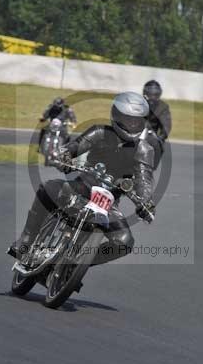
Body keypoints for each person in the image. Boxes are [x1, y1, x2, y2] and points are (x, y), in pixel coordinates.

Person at [9, 92, 156, 265]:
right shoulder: (99, 132)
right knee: (47, 189)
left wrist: (145, 201)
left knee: (124, 241)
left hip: (108, 203)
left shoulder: (144, 150)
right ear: (116, 116)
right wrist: (64, 156)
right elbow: (75, 146)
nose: (132, 124)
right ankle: (25, 242)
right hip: (82, 187)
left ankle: (78, 263)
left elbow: (144, 179)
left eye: (137, 121)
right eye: (128, 119)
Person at [143, 80, 172, 167]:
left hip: (152, 136)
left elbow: (166, 124)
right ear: (145, 93)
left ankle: (151, 168)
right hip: (135, 132)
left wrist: (161, 137)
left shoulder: (163, 107)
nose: (152, 97)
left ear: (158, 94)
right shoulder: (138, 102)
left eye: (154, 95)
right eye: (150, 94)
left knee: (159, 147)